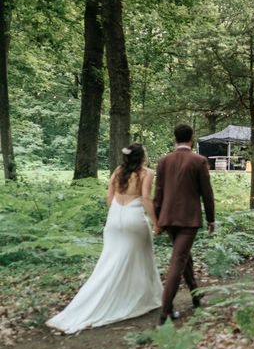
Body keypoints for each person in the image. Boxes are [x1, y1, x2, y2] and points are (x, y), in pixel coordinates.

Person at [46, 144, 163, 334]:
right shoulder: (146, 173)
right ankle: (141, 298)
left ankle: (100, 299)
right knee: (142, 258)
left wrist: (116, 216)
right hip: (134, 219)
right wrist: (156, 222)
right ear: (142, 157)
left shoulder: (118, 171)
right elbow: (146, 199)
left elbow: (109, 197)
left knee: (110, 261)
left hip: (115, 218)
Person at [154, 124, 215, 325]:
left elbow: (159, 193)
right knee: (178, 260)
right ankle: (165, 311)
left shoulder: (164, 161)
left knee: (184, 257)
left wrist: (158, 219)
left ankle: (196, 296)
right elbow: (207, 193)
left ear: (175, 138)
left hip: (168, 218)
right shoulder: (199, 161)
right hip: (188, 219)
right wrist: (211, 219)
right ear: (192, 137)